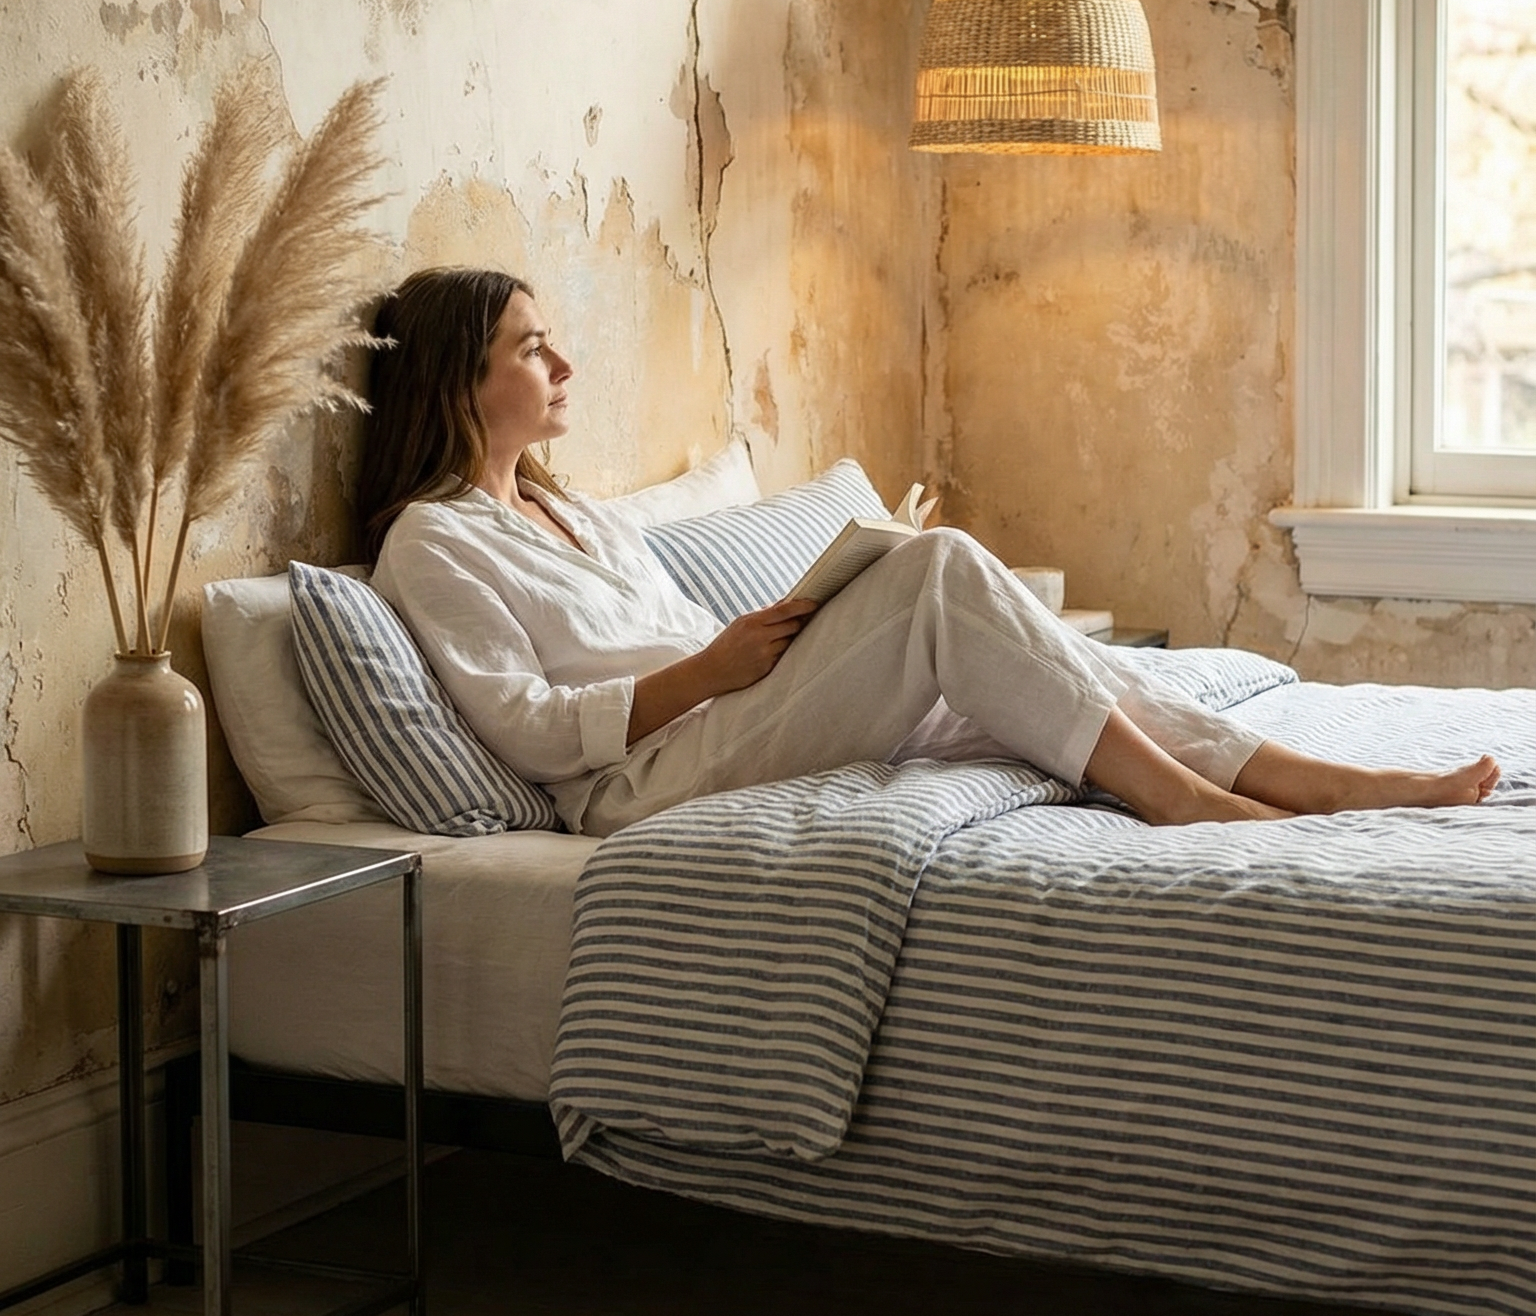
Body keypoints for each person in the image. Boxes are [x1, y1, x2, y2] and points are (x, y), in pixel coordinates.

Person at [357, 268, 1500, 837]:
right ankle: (1187, 805)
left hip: (727, 716)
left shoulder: (583, 513)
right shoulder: (433, 544)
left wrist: (771, 638)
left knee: (1049, 660)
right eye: (532, 348)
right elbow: (522, 727)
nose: (562, 367)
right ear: (458, 379)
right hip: (638, 787)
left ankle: (1316, 782)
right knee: (942, 573)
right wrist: (714, 670)